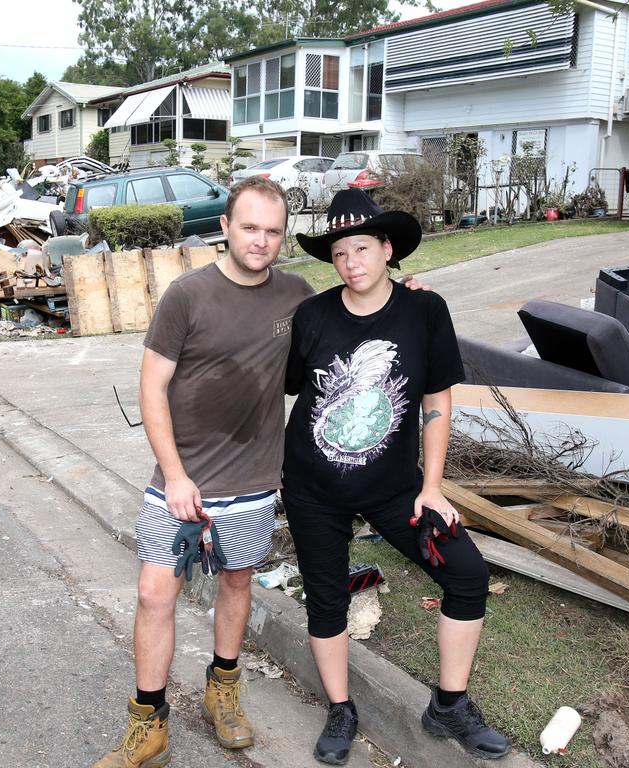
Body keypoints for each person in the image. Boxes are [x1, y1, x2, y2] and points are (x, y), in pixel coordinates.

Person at [91, 176, 314, 768]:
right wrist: (175, 474)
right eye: (249, 227)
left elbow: (356, 318)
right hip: (181, 478)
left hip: (253, 478)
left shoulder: (297, 296)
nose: (261, 241)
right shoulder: (187, 295)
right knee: (154, 591)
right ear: (225, 227)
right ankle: (148, 724)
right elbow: (151, 386)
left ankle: (223, 692)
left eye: (272, 231)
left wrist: (408, 292)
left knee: (237, 584)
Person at [282, 189, 510, 764]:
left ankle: (450, 705)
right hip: (313, 488)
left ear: (387, 249)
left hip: (395, 489)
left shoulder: (424, 310)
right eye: (339, 253)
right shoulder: (312, 316)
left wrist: (431, 488)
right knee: (326, 600)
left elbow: (436, 401)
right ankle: (341, 710)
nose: (351, 261)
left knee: (467, 575)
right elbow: (291, 392)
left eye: (362, 247)